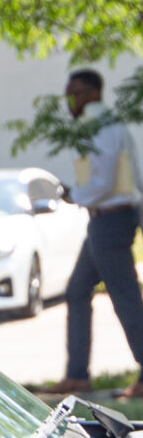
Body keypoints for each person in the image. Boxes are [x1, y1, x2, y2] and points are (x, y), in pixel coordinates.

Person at [55, 67, 143, 398]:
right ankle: (77, 376)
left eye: (76, 92)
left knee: (126, 298)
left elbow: (104, 181)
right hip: (103, 220)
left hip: (111, 219)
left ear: (93, 92)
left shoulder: (102, 124)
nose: (71, 99)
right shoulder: (101, 123)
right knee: (77, 291)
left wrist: (73, 195)